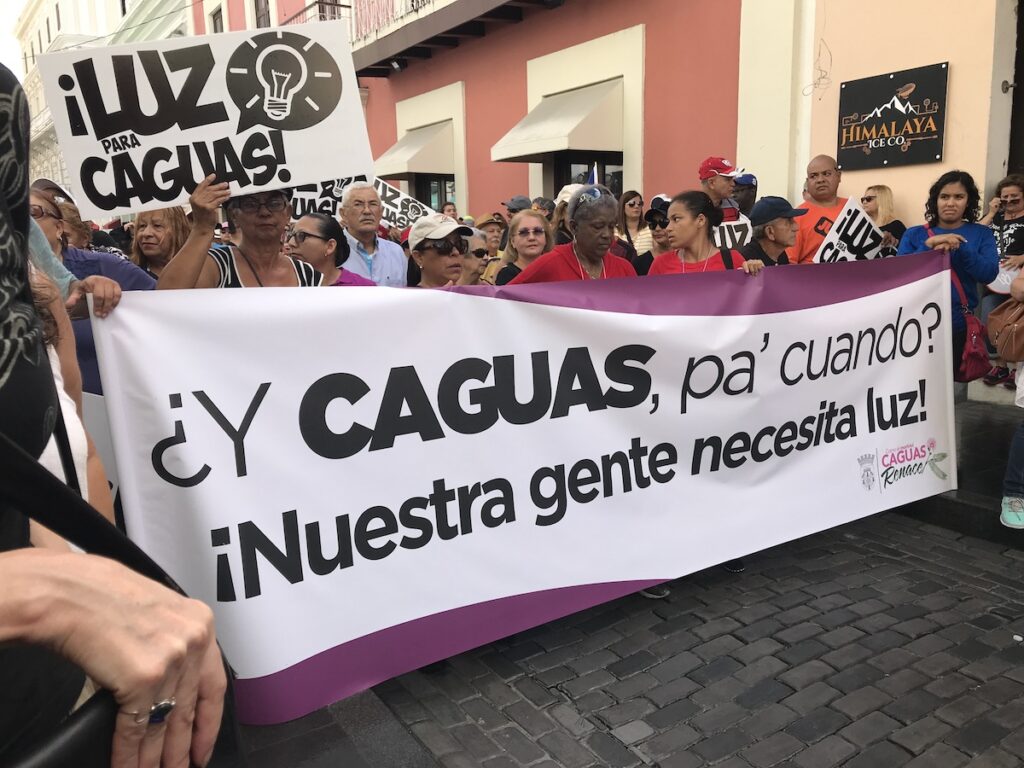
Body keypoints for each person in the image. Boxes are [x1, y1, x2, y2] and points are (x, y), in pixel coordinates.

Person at [0, 60, 225, 768]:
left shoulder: (40, 292)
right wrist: (40, 593)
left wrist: (110, 568)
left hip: (65, 697)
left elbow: (62, 436)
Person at [31, 187, 154, 394]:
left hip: (99, 403)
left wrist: (92, 292)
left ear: (59, 227)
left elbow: (165, 304)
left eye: (34, 213)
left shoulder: (104, 264)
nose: (23, 221)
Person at [897, 170, 999, 365]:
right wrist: (928, 246)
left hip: (957, 325)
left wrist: (960, 247)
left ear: (968, 201)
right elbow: (900, 274)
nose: (950, 203)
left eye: (958, 197)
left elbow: (988, 274)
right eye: (944, 196)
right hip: (914, 322)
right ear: (936, 200)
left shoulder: (981, 234)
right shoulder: (914, 234)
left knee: (950, 390)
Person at [158, 178, 323, 289]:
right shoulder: (218, 265)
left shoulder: (307, 275)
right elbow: (165, 298)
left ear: (288, 213)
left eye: (274, 203)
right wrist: (202, 228)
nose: (264, 212)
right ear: (234, 215)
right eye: (251, 204)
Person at [509, 185, 636, 284]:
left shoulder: (624, 269)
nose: (607, 235)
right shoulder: (550, 263)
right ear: (574, 227)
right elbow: (504, 301)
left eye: (611, 226)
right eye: (598, 227)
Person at [976, 175, 1024, 387]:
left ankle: (1016, 368)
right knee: (992, 320)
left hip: (1019, 280)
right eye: (1005, 198)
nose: (1010, 202)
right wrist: (993, 211)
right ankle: (1002, 366)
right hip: (994, 280)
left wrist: (1022, 258)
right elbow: (975, 235)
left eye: (1015, 198)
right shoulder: (995, 217)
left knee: (1017, 325)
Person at [650, 191, 765, 276]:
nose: (668, 228)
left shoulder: (732, 260)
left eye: (676, 219)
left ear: (700, 220)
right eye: (668, 221)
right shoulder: (660, 264)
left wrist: (756, 272)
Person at [338, 181, 407, 287]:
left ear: (381, 212)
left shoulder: (396, 252)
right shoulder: (332, 252)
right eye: (358, 204)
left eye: (373, 204)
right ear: (343, 213)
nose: (367, 211)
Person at [287, 213, 376, 287]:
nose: (290, 243)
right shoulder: (281, 284)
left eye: (301, 236)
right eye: (290, 235)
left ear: (330, 246)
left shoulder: (363, 289)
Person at [791, 155, 847, 264]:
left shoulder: (852, 207)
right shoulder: (796, 217)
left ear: (838, 176)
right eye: (814, 176)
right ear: (808, 181)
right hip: (811, 279)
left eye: (826, 174)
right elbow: (788, 264)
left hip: (852, 278)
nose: (820, 180)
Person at [408, 213, 474, 288]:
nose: (456, 252)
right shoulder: (409, 299)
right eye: (443, 245)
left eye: (460, 244)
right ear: (419, 257)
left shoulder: (476, 297)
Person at [738, 196, 807, 267]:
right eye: (789, 222)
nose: (796, 227)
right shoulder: (745, 261)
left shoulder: (781, 256)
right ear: (770, 232)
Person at [131, 206, 192, 279]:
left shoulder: (199, 269)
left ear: (178, 230)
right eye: (142, 226)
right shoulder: (129, 275)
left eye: (157, 225)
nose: (146, 233)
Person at [496, 209, 552, 285]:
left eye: (538, 231)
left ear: (546, 238)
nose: (531, 238)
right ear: (512, 241)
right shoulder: (506, 275)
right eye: (523, 233)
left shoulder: (556, 270)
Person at [860, 185, 906, 256]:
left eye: (868, 199)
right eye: (863, 199)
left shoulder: (897, 226)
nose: (864, 202)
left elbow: (906, 252)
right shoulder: (862, 227)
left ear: (881, 200)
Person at [634, 194, 672, 276]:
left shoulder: (688, 257)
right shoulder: (639, 263)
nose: (657, 229)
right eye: (653, 224)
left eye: (663, 222)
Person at [698, 156, 743, 222]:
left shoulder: (733, 206)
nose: (733, 184)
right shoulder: (690, 209)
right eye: (728, 179)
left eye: (732, 179)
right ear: (711, 183)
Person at [618, 190, 653, 260]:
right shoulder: (614, 231)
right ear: (623, 207)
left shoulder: (650, 229)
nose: (636, 206)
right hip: (623, 270)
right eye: (631, 204)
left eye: (640, 204)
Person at [476, 213, 507, 284]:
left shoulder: (507, 257)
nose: (496, 235)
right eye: (491, 231)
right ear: (479, 235)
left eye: (499, 231)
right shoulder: (474, 258)